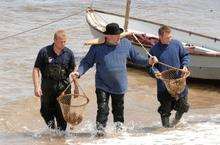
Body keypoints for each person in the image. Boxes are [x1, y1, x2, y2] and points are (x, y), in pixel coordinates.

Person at [71, 23, 149, 136]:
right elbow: (87, 62)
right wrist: (78, 72)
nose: (119, 37)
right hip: (102, 84)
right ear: (108, 36)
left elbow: (137, 58)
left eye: (119, 35)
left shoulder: (126, 44)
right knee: (103, 110)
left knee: (118, 113)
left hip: (119, 86)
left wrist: (148, 61)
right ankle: (100, 135)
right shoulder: (97, 47)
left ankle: (119, 136)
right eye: (116, 35)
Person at [32, 30, 76, 131]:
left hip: (64, 87)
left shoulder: (69, 53)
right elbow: (36, 69)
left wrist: (76, 88)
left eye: (65, 41)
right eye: (61, 42)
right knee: (45, 111)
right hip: (47, 86)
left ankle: (61, 137)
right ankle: (52, 131)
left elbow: (73, 70)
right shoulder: (44, 52)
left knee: (62, 114)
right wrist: (37, 87)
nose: (63, 44)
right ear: (55, 40)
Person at [148, 25, 190, 128]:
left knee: (183, 106)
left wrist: (185, 65)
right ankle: (165, 132)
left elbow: (185, 56)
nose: (170, 39)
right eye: (167, 38)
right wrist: (155, 72)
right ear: (160, 37)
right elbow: (150, 68)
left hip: (179, 84)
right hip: (164, 86)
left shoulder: (177, 44)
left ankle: (176, 122)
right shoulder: (153, 50)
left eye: (170, 37)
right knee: (165, 111)